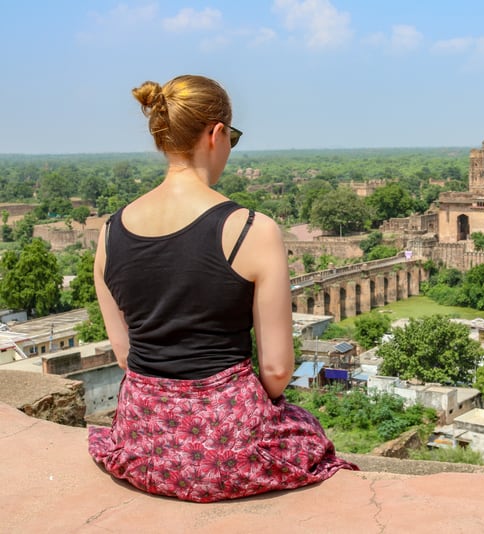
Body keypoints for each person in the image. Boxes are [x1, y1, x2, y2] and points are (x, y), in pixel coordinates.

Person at [88, 74, 357, 502]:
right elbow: (276, 370)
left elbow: (125, 355)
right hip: (227, 447)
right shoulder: (251, 229)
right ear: (216, 134)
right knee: (309, 433)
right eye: (231, 136)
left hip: (143, 443)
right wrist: (229, 408)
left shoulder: (109, 233)